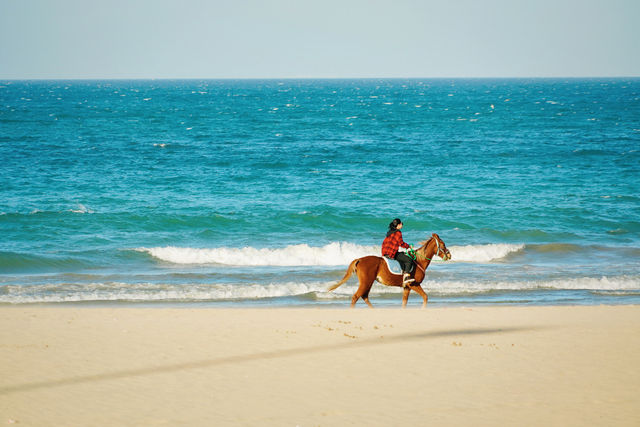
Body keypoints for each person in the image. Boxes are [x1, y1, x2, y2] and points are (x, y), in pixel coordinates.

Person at [381, 218, 414, 287]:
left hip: (384, 253)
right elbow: (401, 243)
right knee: (409, 260)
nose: (402, 225)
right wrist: (409, 246)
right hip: (391, 253)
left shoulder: (389, 232)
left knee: (401, 254)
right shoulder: (398, 232)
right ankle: (406, 276)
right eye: (402, 224)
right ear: (398, 225)